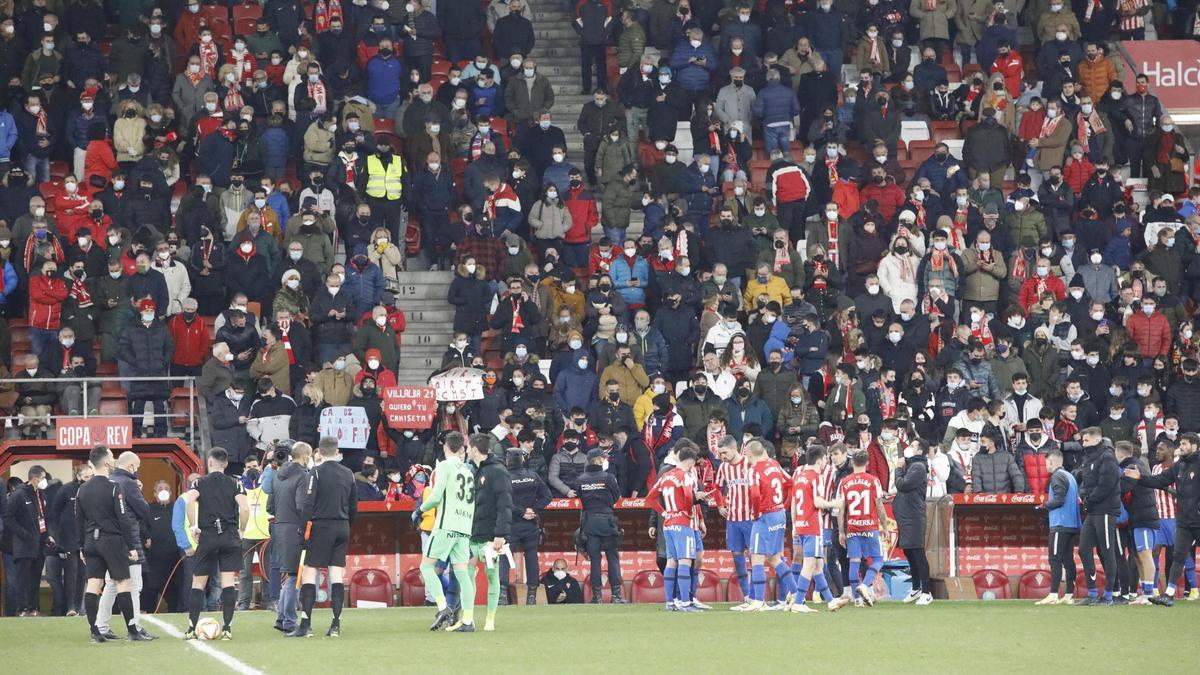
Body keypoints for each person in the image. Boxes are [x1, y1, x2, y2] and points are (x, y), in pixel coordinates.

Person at [289, 437, 357, 637]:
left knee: (310, 572)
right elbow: (354, 506)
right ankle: (335, 625)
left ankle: (306, 624)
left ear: (320, 451)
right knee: (336, 575)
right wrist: (347, 525)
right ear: (337, 451)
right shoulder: (348, 474)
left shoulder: (315, 473)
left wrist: (302, 531)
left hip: (321, 527)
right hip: (342, 526)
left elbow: (308, 504)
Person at [74, 447, 142, 643]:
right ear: (105, 463)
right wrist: (131, 546)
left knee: (94, 584)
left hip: (90, 542)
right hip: (111, 540)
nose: (114, 460)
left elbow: (78, 520)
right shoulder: (114, 487)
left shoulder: (82, 489)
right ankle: (132, 630)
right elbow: (124, 519)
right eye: (112, 457)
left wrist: (81, 547)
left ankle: (95, 631)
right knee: (123, 583)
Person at [182, 447, 250, 640]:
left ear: (209, 463)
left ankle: (191, 627)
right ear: (226, 464)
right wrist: (242, 530)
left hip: (208, 535)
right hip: (229, 536)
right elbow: (244, 508)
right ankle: (227, 628)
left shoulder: (199, 482)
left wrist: (194, 525)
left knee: (198, 582)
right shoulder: (235, 483)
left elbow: (189, 501)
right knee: (228, 583)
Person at [1131, 431, 1200, 606]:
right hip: (1183, 520)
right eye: (1180, 444)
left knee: (1182, 557)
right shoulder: (1180, 466)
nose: (1181, 447)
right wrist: (1140, 477)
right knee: (1178, 556)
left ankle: (1192, 589)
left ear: (1194, 446)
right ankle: (1168, 595)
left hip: (1196, 519)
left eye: (1184, 444)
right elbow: (1160, 480)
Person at [418, 432, 478, 631]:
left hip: (446, 525)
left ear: (445, 447)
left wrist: (420, 510)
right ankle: (468, 620)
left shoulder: (443, 466)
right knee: (462, 574)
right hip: (464, 527)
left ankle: (443, 607)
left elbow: (435, 497)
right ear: (462, 449)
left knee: (426, 567)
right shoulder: (469, 471)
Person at [94, 452, 154, 640]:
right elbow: (143, 510)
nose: (137, 470)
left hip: (109, 539)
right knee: (134, 585)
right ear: (131, 467)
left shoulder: (109, 480)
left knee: (112, 584)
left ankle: (101, 626)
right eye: (137, 467)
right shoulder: (129, 483)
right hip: (129, 539)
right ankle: (134, 626)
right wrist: (140, 490)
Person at [456, 433, 512, 633]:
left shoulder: (498, 472)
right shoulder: (476, 472)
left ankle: (490, 619)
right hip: (473, 535)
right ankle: (468, 618)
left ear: (473, 449)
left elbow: (505, 505)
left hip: (491, 538)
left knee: (491, 575)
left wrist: (500, 534)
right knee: (467, 574)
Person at [789, 444, 848, 612]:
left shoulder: (799, 476)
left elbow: (794, 503)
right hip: (812, 526)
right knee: (810, 564)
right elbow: (817, 502)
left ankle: (830, 601)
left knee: (818, 565)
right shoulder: (816, 477)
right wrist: (834, 503)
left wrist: (794, 524)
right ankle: (799, 602)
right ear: (820, 460)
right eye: (825, 460)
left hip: (801, 525)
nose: (826, 463)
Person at [646, 440, 702, 611]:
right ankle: (685, 603)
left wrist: (663, 513)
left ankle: (670, 603)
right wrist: (696, 498)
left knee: (671, 562)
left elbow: (649, 498)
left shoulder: (666, 476)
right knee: (685, 561)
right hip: (682, 522)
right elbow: (687, 497)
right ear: (691, 461)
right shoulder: (684, 476)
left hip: (668, 523)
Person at [741, 438, 796, 611]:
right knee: (775, 558)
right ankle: (795, 594)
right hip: (779, 515)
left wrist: (756, 513)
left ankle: (758, 601)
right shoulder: (775, 465)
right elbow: (791, 483)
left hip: (765, 516)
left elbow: (755, 495)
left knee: (756, 557)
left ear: (749, 455)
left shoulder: (754, 470)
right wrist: (784, 506)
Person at [267, 441, 311, 633]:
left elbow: (270, 507)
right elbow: (302, 505)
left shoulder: (278, 475)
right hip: (295, 529)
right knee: (295, 576)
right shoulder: (303, 475)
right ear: (306, 456)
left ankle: (282, 617)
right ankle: (289, 622)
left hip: (279, 528)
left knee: (289, 575)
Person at [572, 447, 625, 604]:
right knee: (612, 558)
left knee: (595, 560)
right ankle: (616, 596)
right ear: (599, 460)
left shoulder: (580, 479)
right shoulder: (608, 477)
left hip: (589, 523)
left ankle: (597, 597)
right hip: (607, 521)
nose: (605, 460)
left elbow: (581, 498)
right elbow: (616, 497)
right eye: (603, 458)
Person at [1074, 427, 1121, 605]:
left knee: (1107, 552)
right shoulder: (1090, 458)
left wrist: (1089, 499)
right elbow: (1088, 481)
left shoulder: (1107, 457)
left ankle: (1108, 595)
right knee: (1084, 549)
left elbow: (1107, 485)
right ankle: (1092, 593)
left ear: (1096, 439)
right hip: (1093, 511)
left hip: (1106, 510)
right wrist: (1086, 497)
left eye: (1085, 441)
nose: (1083, 444)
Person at [837, 449, 886, 607]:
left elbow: (841, 509)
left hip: (853, 527)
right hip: (869, 526)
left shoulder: (844, 482)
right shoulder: (873, 481)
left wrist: (841, 531)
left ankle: (857, 600)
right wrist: (884, 524)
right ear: (867, 463)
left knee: (854, 561)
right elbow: (879, 505)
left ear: (852, 462)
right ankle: (864, 585)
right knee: (878, 559)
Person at [502, 446, 551, 605]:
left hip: (511, 524)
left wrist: (521, 512)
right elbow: (547, 496)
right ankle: (531, 596)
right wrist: (533, 510)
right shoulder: (533, 475)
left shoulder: (504, 477)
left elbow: (504, 503)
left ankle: (502, 595)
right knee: (531, 558)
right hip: (530, 524)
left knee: (504, 558)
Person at [4, 465, 52, 616]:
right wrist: (23, 533)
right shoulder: (19, 495)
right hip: (23, 545)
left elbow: (44, 517)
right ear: (35, 478)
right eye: (43, 478)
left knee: (35, 578)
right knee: (22, 578)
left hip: (39, 544)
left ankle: (34, 607)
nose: (45, 481)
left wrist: (47, 535)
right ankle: (22, 608)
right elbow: (8, 518)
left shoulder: (42, 495)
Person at [713, 436, 754, 604]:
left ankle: (757, 597)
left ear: (734, 448)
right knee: (737, 557)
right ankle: (746, 597)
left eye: (724, 452)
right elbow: (716, 487)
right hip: (733, 519)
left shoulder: (749, 464)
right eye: (720, 453)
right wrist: (720, 505)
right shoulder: (723, 467)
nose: (722, 456)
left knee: (755, 557)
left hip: (750, 519)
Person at [893, 439, 932, 606]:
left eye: (914, 446)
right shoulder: (912, 465)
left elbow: (902, 485)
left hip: (914, 517)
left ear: (920, 451)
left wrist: (897, 469)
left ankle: (927, 592)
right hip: (905, 516)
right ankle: (916, 588)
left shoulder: (919, 467)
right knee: (909, 552)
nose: (910, 448)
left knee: (918, 553)